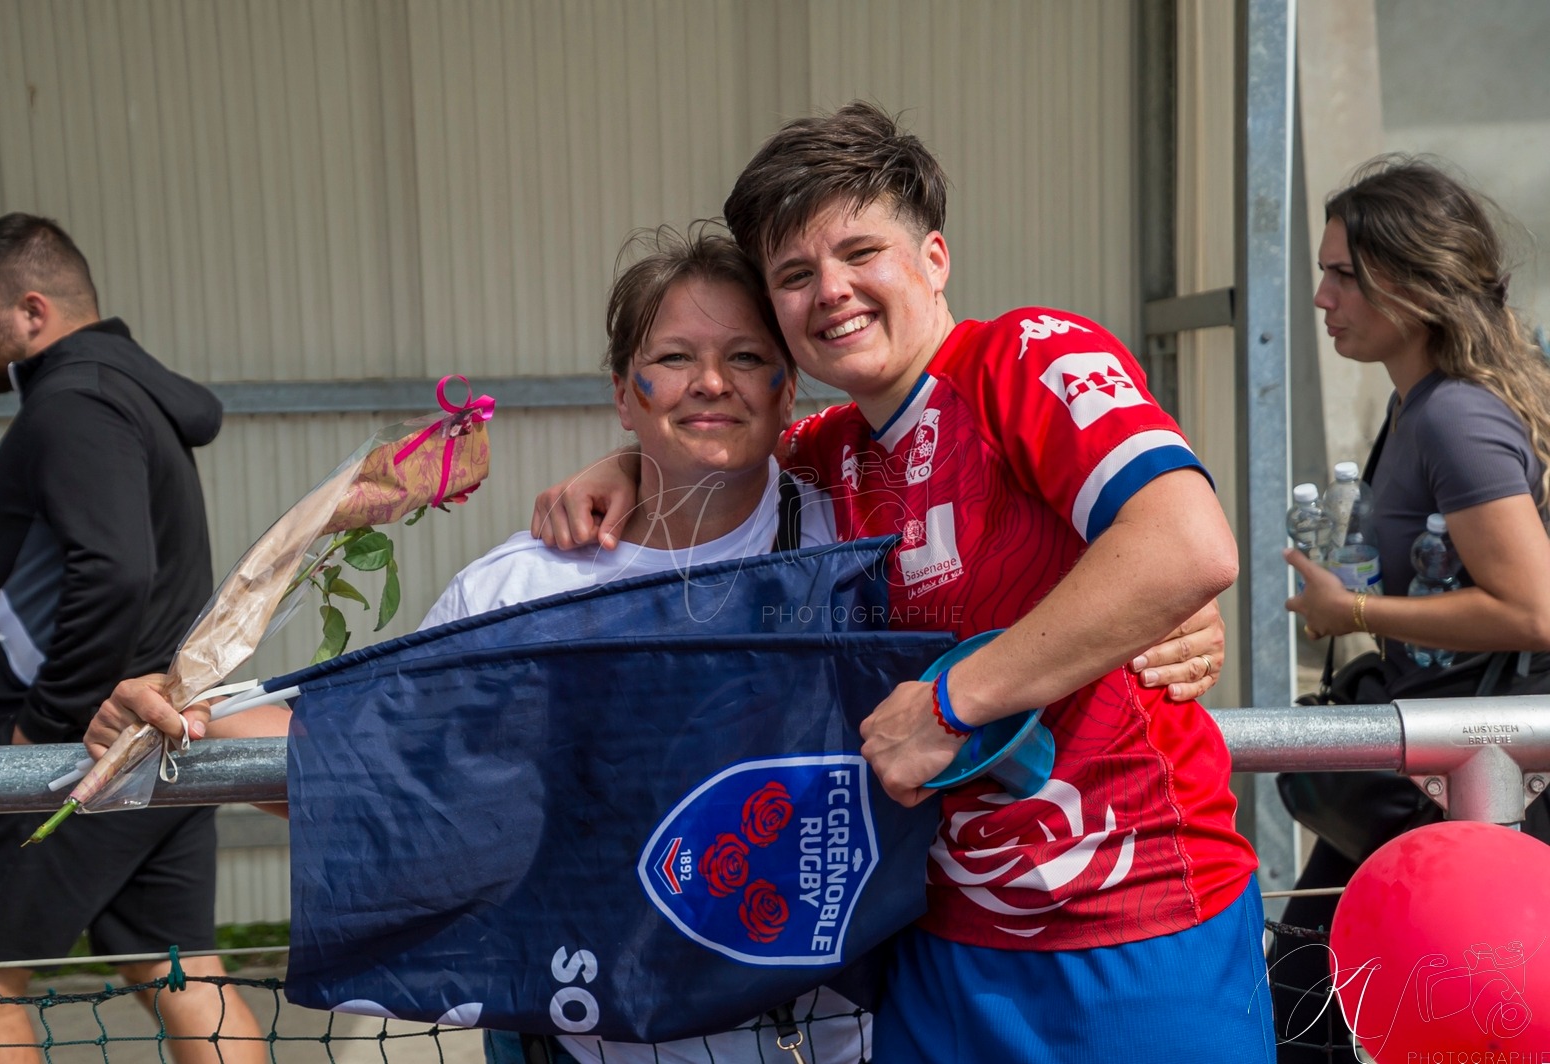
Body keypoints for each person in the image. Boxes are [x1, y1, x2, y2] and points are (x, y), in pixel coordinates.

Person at [532, 103, 1270, 1062]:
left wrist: (957, 703)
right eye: (794, 275)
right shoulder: (832, 452)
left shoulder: (1028, 355)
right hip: (938, 948)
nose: (830, 292)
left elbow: (1187, 545)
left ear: (933, 259)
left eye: (859, 253)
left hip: (1129, 926)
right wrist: (622, 468)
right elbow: (713, 451)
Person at [90, 225, 868, 1064]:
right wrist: (185, 716)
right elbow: (381, 764)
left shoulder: (859, 542)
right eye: (674, 357)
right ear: (623, 393)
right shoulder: (521, 590)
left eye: (747, 356)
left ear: (792, 388)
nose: (711, 383)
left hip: (831, 1042)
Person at [0, 214, 263, 1064]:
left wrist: (36, 727)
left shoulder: (74, 403)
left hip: (84, 753)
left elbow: (116, 571)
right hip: (150, 740)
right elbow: (109, 568)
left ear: (33, 311)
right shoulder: (117, 393)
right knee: (179, 971)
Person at [1276, 156, 1550, 1060]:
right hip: (1437, 775)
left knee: (1314, 1014)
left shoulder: (1453, 418)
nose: (1322, 297)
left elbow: (1530, 610)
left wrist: (1352, 610)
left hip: (1476, 780)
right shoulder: (1418, 406)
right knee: (1308, 1004)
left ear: (1416, 282)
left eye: (1344, 275)